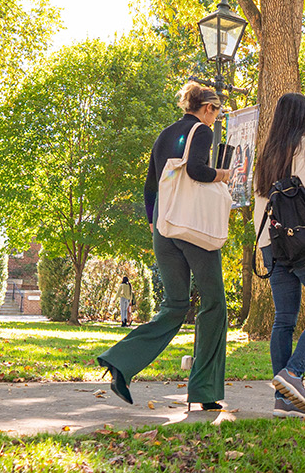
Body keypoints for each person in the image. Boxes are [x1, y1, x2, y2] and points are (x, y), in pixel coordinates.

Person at [96, 81, 234, 410]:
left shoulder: (163, 135)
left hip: (163, 224)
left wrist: (155, 224)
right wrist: (223, 175)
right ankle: (204, 391)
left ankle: (121, 362)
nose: (216, 118)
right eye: (216, 111)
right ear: (207, 108)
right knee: (214, 305)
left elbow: (150, 185)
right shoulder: (202, 131)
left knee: (174, 305)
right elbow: (199, 172)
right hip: (192, 228)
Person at [251, 92, 305, 418]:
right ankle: (293, 374)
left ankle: (282, 400)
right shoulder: (301, 145)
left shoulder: (267, 152)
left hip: (270, 244)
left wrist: (265, 246)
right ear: (301, 117)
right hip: (300, 239)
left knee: (284, 319)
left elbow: (260, 201)